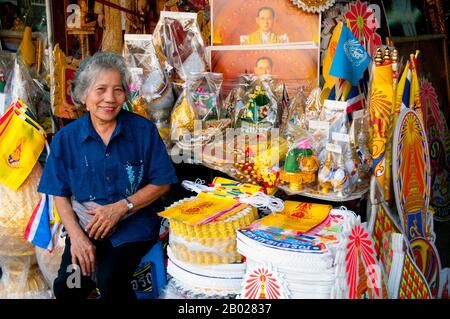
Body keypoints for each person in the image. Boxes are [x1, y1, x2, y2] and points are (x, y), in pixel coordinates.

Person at [37, 51, 178, 300]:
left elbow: (163, 182)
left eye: (118, 90)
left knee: (111, 280)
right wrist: (78, 238)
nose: (110, 99)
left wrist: (121, 207)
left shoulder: (143, 131)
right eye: (100, 89)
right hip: (86, 226)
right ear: (83, 95)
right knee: (68, 286)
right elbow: (60, 194)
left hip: (134, 225)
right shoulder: (65, 139)